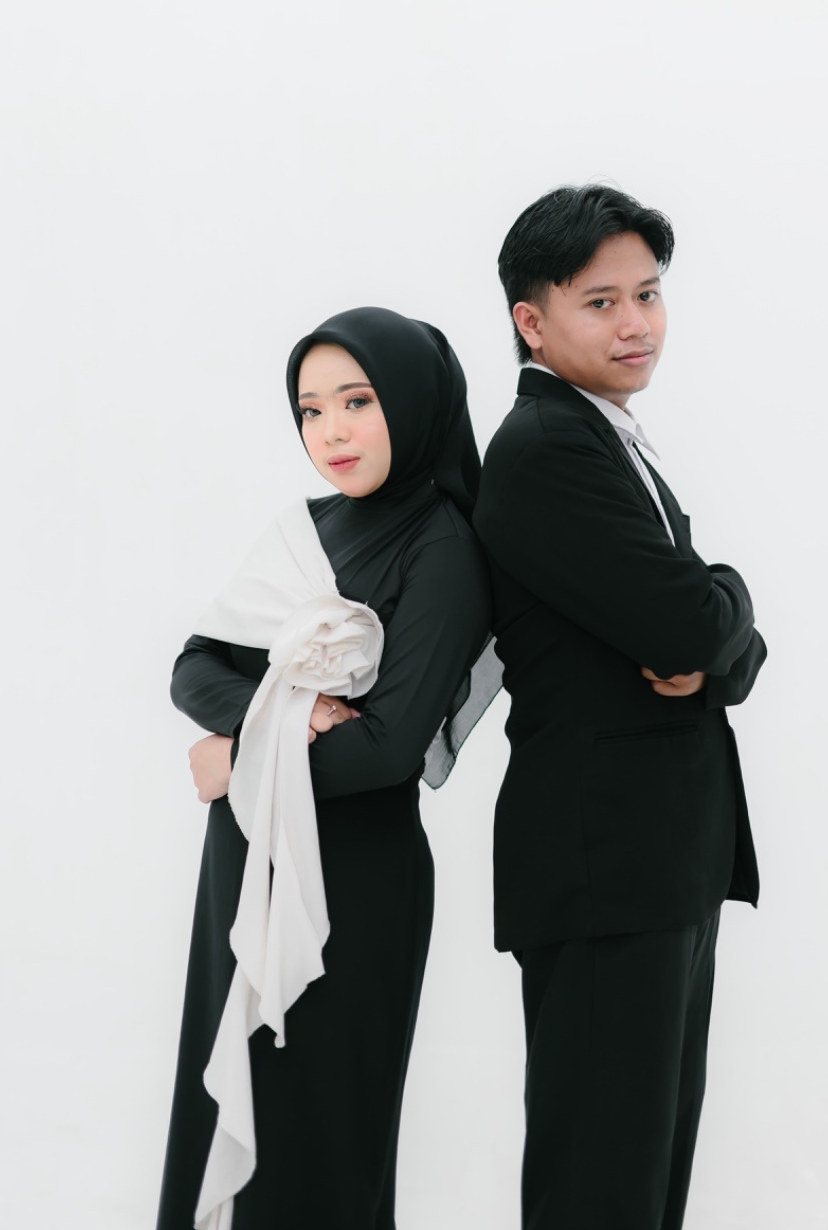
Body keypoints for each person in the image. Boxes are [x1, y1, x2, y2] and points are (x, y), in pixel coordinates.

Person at [156, 306, 496, 1230]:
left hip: (350, 882)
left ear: (414, 403)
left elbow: (387, 750)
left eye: (357, 401)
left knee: (318, 1142)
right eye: (310, 410)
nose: (330, 431)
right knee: (229, 1115)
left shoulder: (444, 547)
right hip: (243, 868)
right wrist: (291, 716)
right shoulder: (304, 529)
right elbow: (194, 664)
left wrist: (236, 759)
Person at [473, 185, 766, 1230]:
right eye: (601, 302)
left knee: (642, 1184)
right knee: (599, 1187)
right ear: (532, 320)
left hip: (659, 862)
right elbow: (691, 623)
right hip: (605, 868)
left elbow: (711, 643)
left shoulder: (604, 435)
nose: (636, 322)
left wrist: (716, 635)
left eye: (647, 293)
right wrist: (727, 597)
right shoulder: (546, 448)